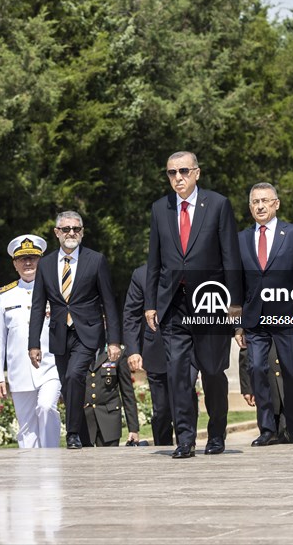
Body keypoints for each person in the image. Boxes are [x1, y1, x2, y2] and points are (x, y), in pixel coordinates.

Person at [144, 152, 243, 458]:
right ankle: (185, 439)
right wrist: (151, 302)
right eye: (171, 172)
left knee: (213, 372)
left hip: (210, 303)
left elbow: (231, 257)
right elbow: (154, 260)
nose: (178, 178)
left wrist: (235, 303)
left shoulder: (217, 204)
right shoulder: (161, 209)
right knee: (177, 373)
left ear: (197, 173)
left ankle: (216, 434)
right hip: (174, 305)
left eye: (183, 171)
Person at [28, 211, 121, 450]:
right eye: (66, 229)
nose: (72, 233)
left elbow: (109, 302)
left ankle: (71, 434)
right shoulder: (46, 264)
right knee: (69, 384)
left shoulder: (95, 260)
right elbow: (38, 305)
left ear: (82, 232)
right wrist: (34, 344)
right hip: (59, 334)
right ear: (57, 233)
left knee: (73, 375)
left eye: (76, 229)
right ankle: (82, 436)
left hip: (88, 332)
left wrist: (113, 341)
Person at [241, 182, 293, 446]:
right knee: (257, 367)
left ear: (276, 203)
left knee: (292, 372)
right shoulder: (241, 238)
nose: (259, 206)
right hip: (254, 317)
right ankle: (267, 429)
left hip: (286, 314)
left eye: (264, 200)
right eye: (254, 202)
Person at [0, 234, 61, 448]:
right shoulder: (5, 295)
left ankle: (51, 460)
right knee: (27, 429)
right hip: (19, 370)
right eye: (23, 259)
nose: (28, 262)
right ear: (15, 264)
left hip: (51, 366)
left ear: (41, 260)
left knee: (46, 407)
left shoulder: (55, 290)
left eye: (33, 257)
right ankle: (30, 476)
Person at [124, 263, 195, 446]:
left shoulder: (191, 268)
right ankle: (164, 447)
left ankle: (187, 445)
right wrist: (133, 350)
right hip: (156, 349)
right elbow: (131, 314)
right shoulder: (141, 274)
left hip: (188, 346)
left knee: (185, 400)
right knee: (162, 410)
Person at [85, 343, 140, 446]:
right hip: (85, 420)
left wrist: (133, 429)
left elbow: (127, 392)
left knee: (109, 461)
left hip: (109, 420)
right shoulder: (79, 350)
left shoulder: (118, 351)